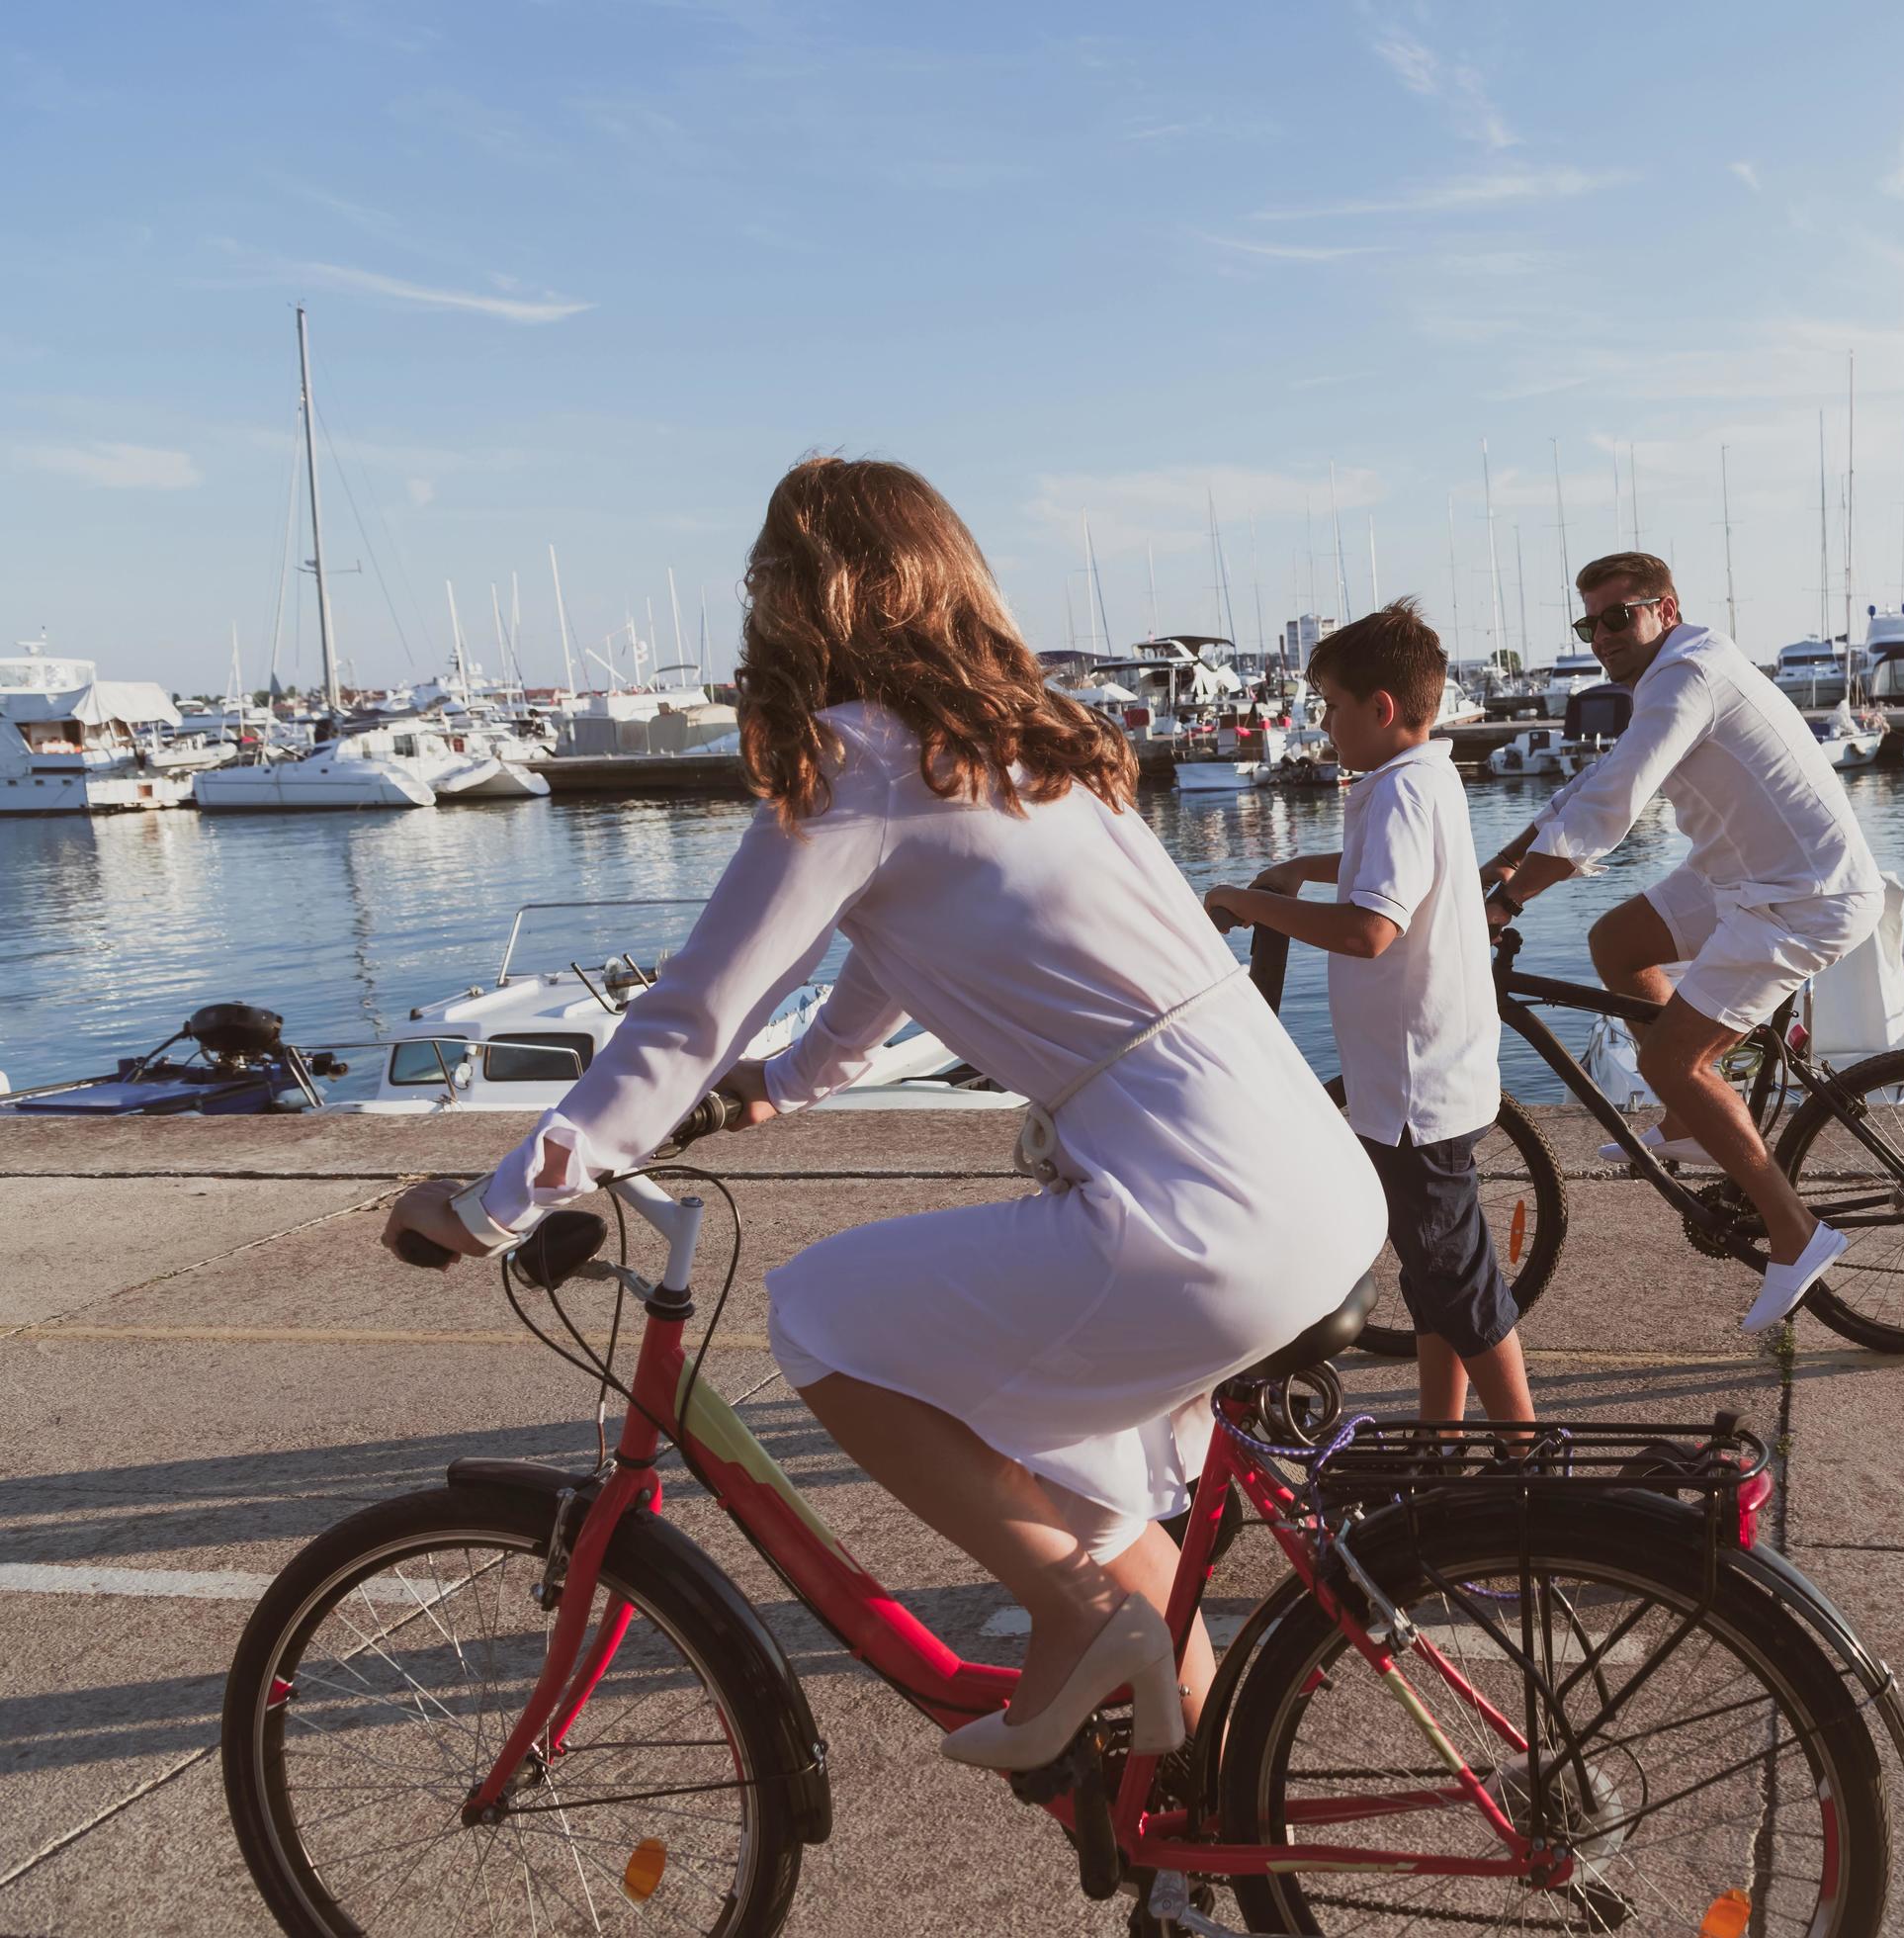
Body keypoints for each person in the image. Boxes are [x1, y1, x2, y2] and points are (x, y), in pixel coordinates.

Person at [379, 457, 1384, 1771]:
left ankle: (1076, 1622)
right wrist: (782, 1088)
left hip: (1199, 1214)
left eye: (769, 585)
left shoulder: (858, 760)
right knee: (1095, 1510)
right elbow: (882, 954)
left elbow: (688, 1018)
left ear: (814, 599)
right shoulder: (1023, 751)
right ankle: (1186, 1828)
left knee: (826, 1318)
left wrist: (495, 1206)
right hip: (1309, 1179)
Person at [1481, 552, 1882, 1333]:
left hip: (1804, 897)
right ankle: (1691, 1121)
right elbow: (1591, 787)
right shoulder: (1676, 669)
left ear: (1665, 610)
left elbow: (1616, 803)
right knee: (1617, 941)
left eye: (1616, 617)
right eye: (1587, 622)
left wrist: (1507, 900)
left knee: (1672, 1058)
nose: (1600, 636)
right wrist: (1510, 852)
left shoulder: (1685, 678)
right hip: (1741, 873)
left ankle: (1796, 1235)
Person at [1204, 599, 1533, 1434]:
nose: (1323, 725)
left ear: (1381, 709)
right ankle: (1441, 1439)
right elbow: (1379, 873)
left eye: (1332, 706)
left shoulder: (1394, 795)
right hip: (1433, 1073)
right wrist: (1297, 871)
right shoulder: (1426, 778)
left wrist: (1249, 901)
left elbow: (1369, 929)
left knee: (1459, 1285)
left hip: (1415, 1088)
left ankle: (1529, 1457)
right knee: (1434, 1277)